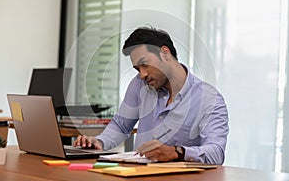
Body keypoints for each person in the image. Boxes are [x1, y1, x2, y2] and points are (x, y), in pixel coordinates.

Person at [73, 26, 229, 164]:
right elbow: (121, 125)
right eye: (137, 69)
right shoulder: (139, 84)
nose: (142, 74)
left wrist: (176, 152)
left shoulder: (209, 99)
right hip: (138, 175)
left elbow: (216, 153)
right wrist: (99, 142)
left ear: (165, 53)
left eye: (144, 64)